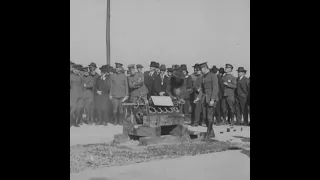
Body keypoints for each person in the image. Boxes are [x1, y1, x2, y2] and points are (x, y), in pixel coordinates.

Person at [198, 62, 219, 141]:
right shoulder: (203, 77)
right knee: (205, 117)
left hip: (211, 99)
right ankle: (211, 132)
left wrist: (213, 99)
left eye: (201, 69)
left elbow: (215, 88)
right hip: (204, 99)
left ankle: (208, 135)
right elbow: (202, 90)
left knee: (209, 116)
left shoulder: (213, 76)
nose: (200, 71)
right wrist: (198, 98)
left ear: (204, 68)